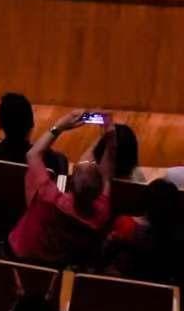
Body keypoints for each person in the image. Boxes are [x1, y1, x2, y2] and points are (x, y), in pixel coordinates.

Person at [8, 113, 119, 265]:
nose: (88, 160)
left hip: (20, 257)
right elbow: (107, 175)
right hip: (60, 267)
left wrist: (59, 126)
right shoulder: (101, 213)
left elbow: (33, 154)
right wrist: (109, 136)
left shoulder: (48, 197)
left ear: (70, 181)